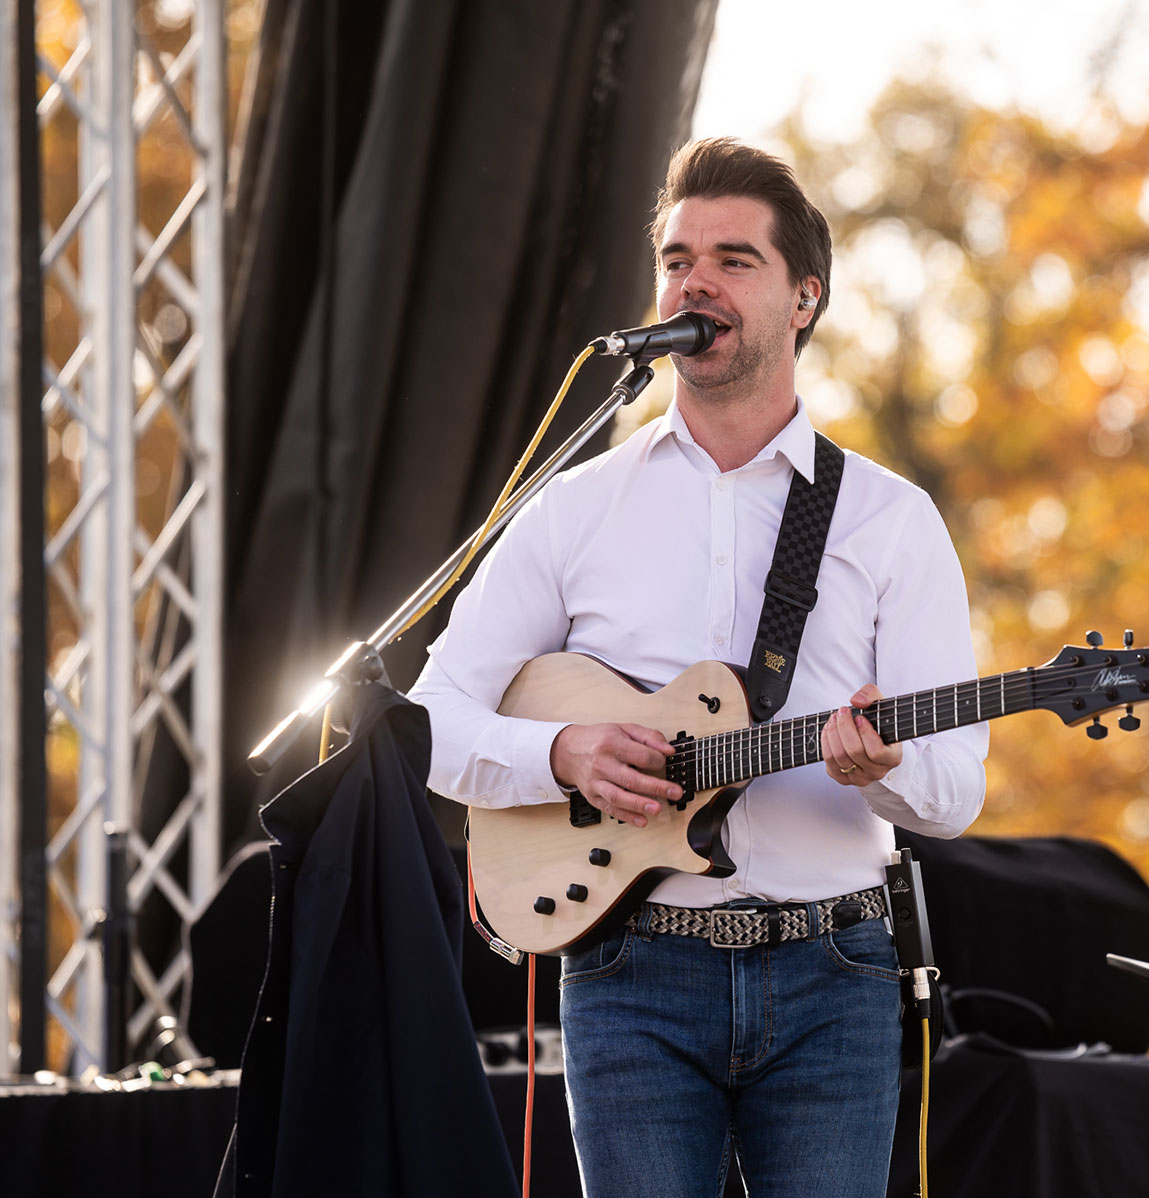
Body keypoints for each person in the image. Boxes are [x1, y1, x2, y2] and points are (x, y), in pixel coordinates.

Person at [409, 137, 987, 1198]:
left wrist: (886, 769)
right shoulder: (576, 506)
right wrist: (563, 753)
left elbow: (955, 792)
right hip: (629, 969)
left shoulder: (890, 521)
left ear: (805, 297)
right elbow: (429, 720)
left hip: (835, 974)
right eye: (678, 260)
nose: (695, 282)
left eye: (733, 259)